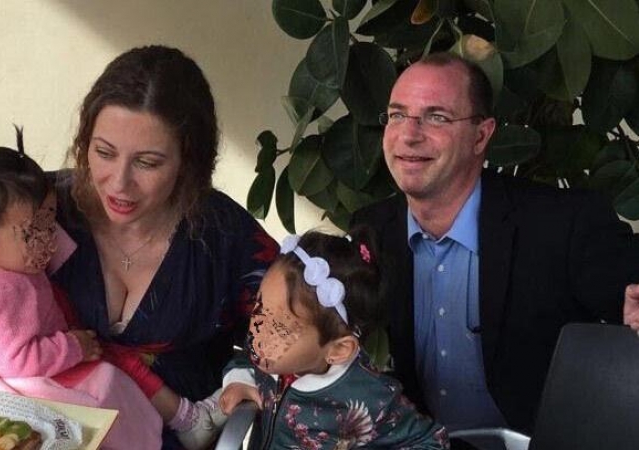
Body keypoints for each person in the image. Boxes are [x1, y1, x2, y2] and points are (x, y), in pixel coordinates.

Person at [351, 52, 639, 435]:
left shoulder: (562, 224)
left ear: (482, 135)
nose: (408, 134)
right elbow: (308, 322)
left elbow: (631, 297)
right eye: (398, 114)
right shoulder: (373, 228)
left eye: (436, 117)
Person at [50, 45, 279, 449]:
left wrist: (244, 376)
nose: (118, 183)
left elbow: (296, 331)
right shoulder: (43, 209)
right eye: (103, 153)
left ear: (189, 162)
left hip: (174, 438)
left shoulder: (223, 235)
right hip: (51, 430)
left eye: (148, 163)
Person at [0, 129, 164, 449]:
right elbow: (16, 361)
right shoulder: (6, 292)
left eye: (49, 221)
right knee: (107, 384)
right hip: (14, 379)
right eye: (31, 232)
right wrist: (74, 347)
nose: (48, 239)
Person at [219, 229, 449, 449]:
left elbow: (431, 441)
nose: (257, 329)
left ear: (338, 350)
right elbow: (245, 359)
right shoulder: (269, 353)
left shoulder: (372, 397)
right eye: (259, 305)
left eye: (280, 330)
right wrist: (240, 379)